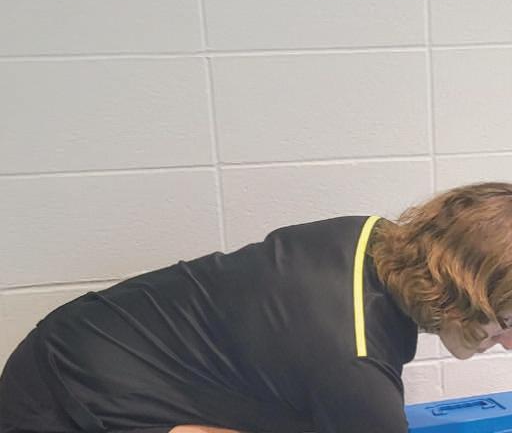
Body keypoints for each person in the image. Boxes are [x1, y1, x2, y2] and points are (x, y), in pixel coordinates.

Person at [2, 181, 512, 433]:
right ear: (461, 290)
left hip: (83, 342)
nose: (509, 343)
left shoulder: (376, 238)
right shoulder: (353, 360)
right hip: (63, 403)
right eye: (507, 320)